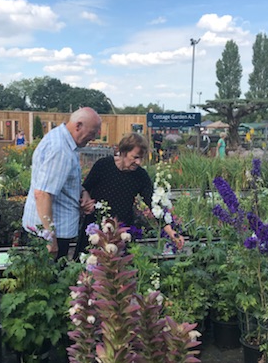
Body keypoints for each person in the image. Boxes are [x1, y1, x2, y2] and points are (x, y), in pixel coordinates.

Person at [76, 133, 184, 256]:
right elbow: (84, 188)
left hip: (122, 233)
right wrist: (85, 200)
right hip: (96, 230)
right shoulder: (103, 166)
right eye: (135, 157)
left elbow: (153, 205)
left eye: (141, 158)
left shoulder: (140, 176)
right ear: (123, 152)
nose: (138, 162)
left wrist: (172, 233)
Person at [22, 107, 102, 260]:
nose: (93, 138)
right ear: (78, 126)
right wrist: (50, 239)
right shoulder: (60, 150)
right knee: (48, 282)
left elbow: (61, 182)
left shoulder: (62, 139)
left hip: (49, 230)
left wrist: (82, 192)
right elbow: (43, 194)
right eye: (92, 133)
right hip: (51, 234)